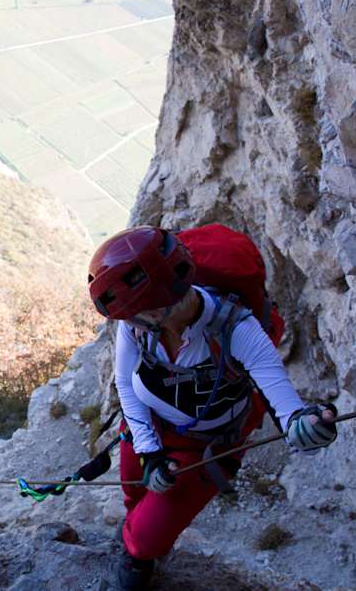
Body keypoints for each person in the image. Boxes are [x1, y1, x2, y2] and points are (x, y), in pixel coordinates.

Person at [87, 226, 338, 590]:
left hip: (205, 447)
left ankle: (138, 554)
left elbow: (282, 398)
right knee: (134, 494)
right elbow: (126, 382)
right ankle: (132, 533)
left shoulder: (236, 328)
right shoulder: (137, 323)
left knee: (147, 538)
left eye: (135, 315)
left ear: (160, 308)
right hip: (147, 429)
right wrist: (149, 449)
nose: (128, 323)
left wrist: (305, 426)